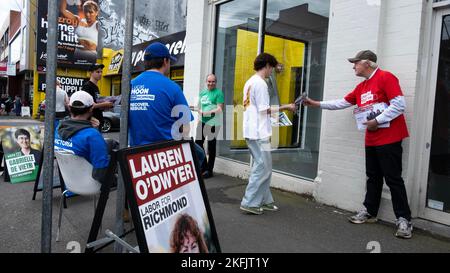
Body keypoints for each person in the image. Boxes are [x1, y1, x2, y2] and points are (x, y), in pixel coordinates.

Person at [303, 50, 413, 239]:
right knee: (373, 177)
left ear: (367, 63)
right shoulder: (361, 87)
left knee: (393, 179)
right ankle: (370, 212)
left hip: (390, 139)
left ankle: (404, 219)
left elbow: (399, 104)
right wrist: (315, 103)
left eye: (356, 63)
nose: (353, 66)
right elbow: (341, 103)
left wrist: (377, 120)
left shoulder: (386, 77)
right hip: (371, 139)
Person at [128, 42, 205, 165]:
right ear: (165, 61)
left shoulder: (131, 85)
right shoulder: (172, 87)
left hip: (137, 155)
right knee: (200, 155)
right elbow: (185, 127)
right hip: (166, 156)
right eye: (170, 61)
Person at [240, 53, 296, 215]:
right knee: (262, 167)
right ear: (267, 66)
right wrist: (286, 107)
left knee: (265, 166)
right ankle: (250, 202)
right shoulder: (261, 84)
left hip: (252, 130)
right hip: (259, 132)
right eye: (272, 67)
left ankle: (264, 200)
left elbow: (257, 109)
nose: (272, 71)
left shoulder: (250, 82)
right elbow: (265, 109)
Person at [54, 91, 111, 183]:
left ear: (69, 107)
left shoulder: (58, 128)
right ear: (91, 109)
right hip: (89, 183)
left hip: (68, 180)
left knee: (109, 143)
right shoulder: (92, 135)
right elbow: (101, 174)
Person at [195, 74, 224, 179]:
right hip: (202, 121)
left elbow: (220, 109)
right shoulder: (202, 93)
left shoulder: (218, 93)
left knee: (211, 147)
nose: (211, 83)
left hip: (213, 123)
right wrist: (200, 111)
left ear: (216, 82)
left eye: (213, 82)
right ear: (206, 82)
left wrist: (208, 113)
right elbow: (199, 106)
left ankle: (209, 170)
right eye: (209, 81)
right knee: (197, 144)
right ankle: (203, 167)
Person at [81, 63, 113, 131]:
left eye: (101, 72)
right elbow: (88, 105)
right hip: (92, 121)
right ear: (91, 73)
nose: (100, 74)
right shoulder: (87, 86)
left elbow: (96, 103)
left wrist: (105, 106)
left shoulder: (96, 87)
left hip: (98, 119)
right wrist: (105, 104)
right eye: (97, 72)